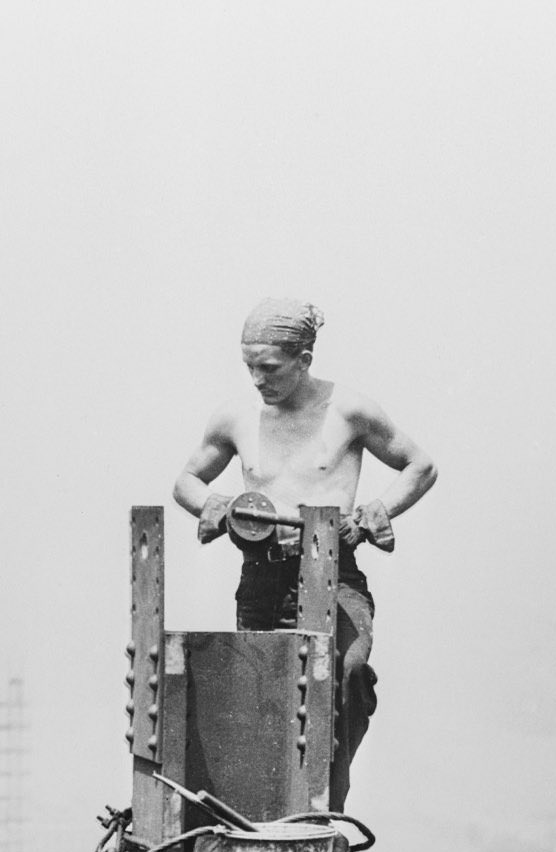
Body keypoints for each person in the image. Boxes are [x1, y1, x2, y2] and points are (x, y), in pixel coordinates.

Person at [173, 297, 437, 808]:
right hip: (262, 577)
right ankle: (271, 814)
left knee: (348, 675)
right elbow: (186, 482)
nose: (257, 379)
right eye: (249, 367)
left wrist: (372, 514)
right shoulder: (234, 418)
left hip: (336, 574)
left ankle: (327, 807)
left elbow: (419, 466)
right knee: (265, 694)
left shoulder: (349, 410)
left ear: (304, 359)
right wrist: (222, 507)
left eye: (269, 368)